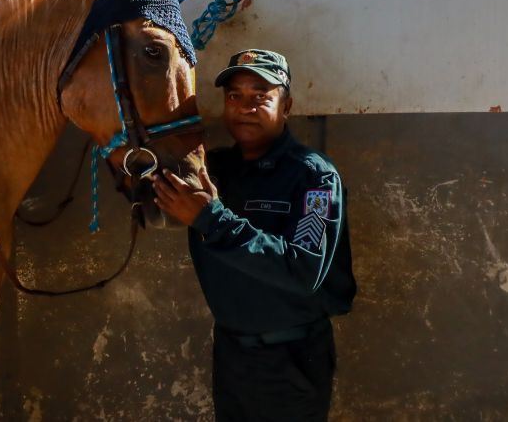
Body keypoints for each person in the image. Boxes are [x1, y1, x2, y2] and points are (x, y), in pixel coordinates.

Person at [152, 49, 356, 421]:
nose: (245, 107)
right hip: (232, 355)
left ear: (287, 106)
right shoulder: (214, 171)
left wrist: (212, 219)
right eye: (235, 96)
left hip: (291, 360)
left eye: (261, 96)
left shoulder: (313, 178)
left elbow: (304, 269)